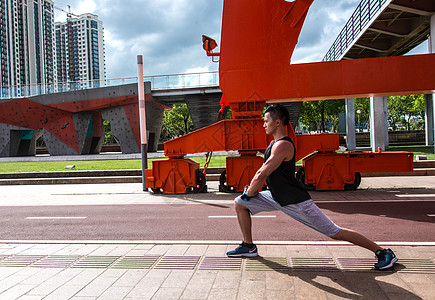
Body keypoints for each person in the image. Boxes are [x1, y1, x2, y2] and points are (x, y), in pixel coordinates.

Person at [226, 104, 398, 270]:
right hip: (276, 196)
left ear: (277, 122)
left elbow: (262, 173)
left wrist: (250, 192)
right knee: (240, 203)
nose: (263, 124)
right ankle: (248, 246)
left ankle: (383, 252)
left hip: (296, 201)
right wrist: (250, 193)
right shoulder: (274, 144)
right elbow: (265, 175)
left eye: (266, 120)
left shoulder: (283, 145)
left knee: (335, 233)